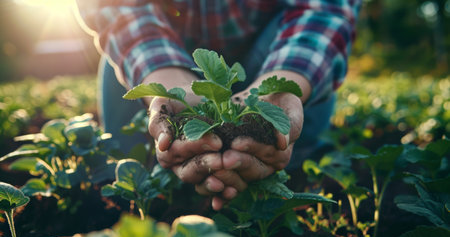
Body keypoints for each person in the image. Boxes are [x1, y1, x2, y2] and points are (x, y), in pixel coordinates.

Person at [75, 0, 361, 210]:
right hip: (159, 55)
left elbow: (325, 9)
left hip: (278, 54)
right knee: (126, 180)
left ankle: (296, 169)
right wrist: (168, 83)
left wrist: (287, 83)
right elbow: (117, 8)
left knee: (287, 162)